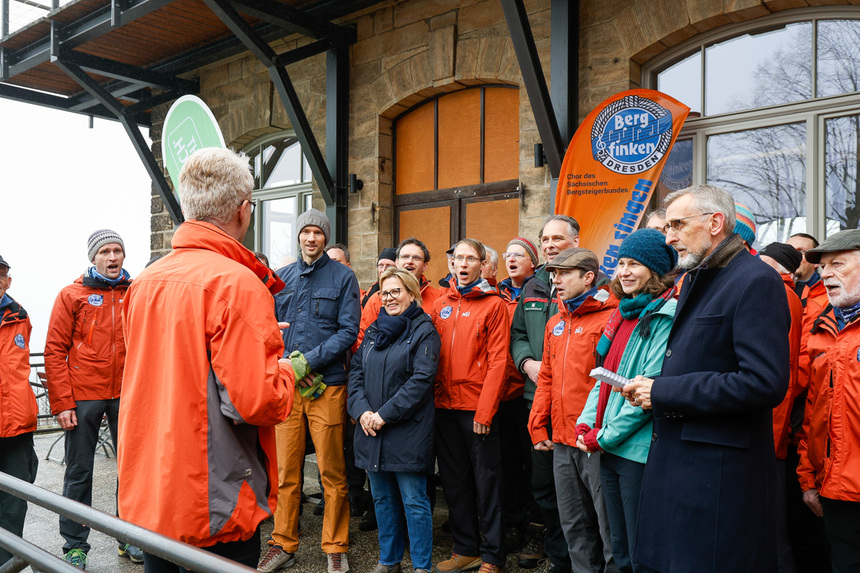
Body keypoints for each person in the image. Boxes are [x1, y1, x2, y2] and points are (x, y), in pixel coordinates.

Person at [117, 148, 294, 571]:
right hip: (213, 498)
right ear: (243, 209)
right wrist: (283, 367)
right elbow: (254, 401)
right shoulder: (238, 284)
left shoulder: (144, 282)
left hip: (153, 491)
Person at [623, 184, 791, 572]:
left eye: (678, 225)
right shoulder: (700, 277)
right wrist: (652, 383)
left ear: (716, 222)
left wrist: (664, 391)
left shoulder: (754, 280)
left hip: (718, 482)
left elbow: (763, 382)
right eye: (668, 227)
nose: (669, 238)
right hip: (681, 471)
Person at [261, 208, 361, 573]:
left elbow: (348, 332)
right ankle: (283, 543)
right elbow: (269, 329)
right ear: (298, 236)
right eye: (306, 231)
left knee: (331, 473)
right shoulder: (280, 278)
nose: (311, 238)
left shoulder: (343, 278)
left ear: (325, 237)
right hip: (288, 388)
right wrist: (290, 365)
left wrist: (308, 364)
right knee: (286, 472)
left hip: (327, 388)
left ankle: (335, 545)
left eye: (318, 232)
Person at [573, 230, 677, 573]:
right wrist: (585, 423)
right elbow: (601, 378)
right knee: (617, 546)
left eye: (635, 264)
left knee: (637, 548)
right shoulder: (622, 314)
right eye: (620, 263)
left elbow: (646, 392)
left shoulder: (664, 316)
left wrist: (602, 436)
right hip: (608, 446)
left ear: (655, 272)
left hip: (636, 451)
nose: (625, 271)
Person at [44, 229, 140, 569]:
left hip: (127, 394)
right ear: (93, 258)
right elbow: (54, 351)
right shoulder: (72, 294)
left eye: (118, 251)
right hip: (83, 396)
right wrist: (62, 403)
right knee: (79, 472)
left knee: (132, 472)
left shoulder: (136, 292)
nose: (113, 257)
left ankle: (129, 538)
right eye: (106, 252)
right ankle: (75, 545)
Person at [527, 247, 618, 573]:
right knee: (574, 526)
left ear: (588, 277)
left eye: (564, 273)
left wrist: (599, 431)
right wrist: (538, 423)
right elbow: (547, 377)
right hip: (563, 441)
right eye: (553, 274)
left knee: (608, 529)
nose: (556, 280)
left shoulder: (612, 317)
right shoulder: (555, 321)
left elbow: (612, 383)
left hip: (596, 441)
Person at [348, 268, 441, 573]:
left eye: (396, 291)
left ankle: (421, 567)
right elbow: (357, 374)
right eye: (384, 293)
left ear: (412, 294)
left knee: (414, 502)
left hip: (407, 430)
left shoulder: (424, 330)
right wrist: (362, 411)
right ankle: (389, 561)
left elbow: (421, 380)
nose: (389, 298)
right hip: (371, 427)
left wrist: (383, 415)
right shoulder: (375, 330)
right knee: (382, 499)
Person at [430, 238, 510, 573]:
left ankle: (492, 556)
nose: (462, 264)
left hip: (476, 410)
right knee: (453, 481)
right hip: (443, 407)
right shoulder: (440, 304)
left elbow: (498, 362)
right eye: (457, 258)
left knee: (487, 483)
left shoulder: (494, 305)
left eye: (469, 259)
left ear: (482, 265)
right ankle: (466, 548)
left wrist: (485, 410)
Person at [510, 215, 581, 573]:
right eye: (545, 238)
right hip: (535, 400)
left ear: (575, 241)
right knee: (543, 484)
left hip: (576, 406)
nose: (550, 244)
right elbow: (518, 334)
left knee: (578, 488)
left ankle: (579, 554)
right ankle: (556, 552)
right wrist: (526, 363)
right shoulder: (533, 287)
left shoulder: (593, 284)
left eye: (557, 238)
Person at [797, 229, 860, 572]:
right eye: (823, 267)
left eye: (838, 264)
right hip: (834, 495)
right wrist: (808, 479)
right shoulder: (823, 331)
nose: (826, 275)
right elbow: (814, 412)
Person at [758, 242, 805, 573]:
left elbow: (780, 377)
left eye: (762, 263)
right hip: (769, 429)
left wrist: (771, 441)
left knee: (770, 530)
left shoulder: (778, 296)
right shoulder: (781, 293)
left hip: (769, 433)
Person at [496, 237, 539, 552]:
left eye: (519, 255)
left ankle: (537, 528)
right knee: (508, 464)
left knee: (534, 464)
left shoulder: (539, 292)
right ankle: (513, 524)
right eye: (507, 255)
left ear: (532, 263)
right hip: (502, 395)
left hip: (530, 392)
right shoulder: (495, 293)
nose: (511, 259)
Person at [0, 255, 38, 567]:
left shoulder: (19, 314)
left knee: (14, 505)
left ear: (8, 281)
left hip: (17, 427)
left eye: (1, 275)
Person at [357, 238, 441, 348]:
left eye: (416, 258)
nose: (410, 261)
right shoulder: (377, 298)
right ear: (397, 262)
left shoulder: (438, 298)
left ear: (425, 265)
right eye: (405, 257)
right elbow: (363, 340)